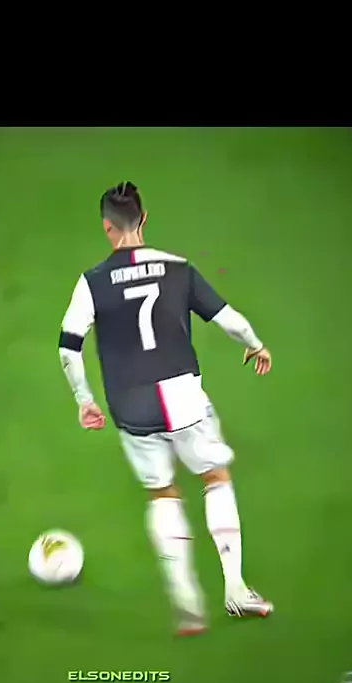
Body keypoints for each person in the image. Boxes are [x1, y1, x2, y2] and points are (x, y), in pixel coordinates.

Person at [58, 181, 273, 636]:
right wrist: (255, 345)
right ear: (144, 219)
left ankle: (188, 606)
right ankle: (236, 590)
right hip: (183, 398)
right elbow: (230, 320)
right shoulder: (177, 268)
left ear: (106, 227)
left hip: (130, 405)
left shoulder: (91, 282)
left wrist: (84, 400)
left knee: (163, 493)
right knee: (215, 477)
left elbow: (68, 348)